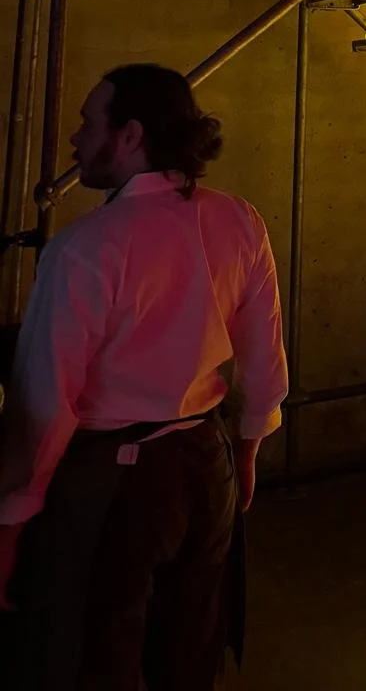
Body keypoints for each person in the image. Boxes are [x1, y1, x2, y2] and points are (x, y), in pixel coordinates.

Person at [0, 64, 288, 689]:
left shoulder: (86, 247)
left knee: (100, 649)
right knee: (190, 644)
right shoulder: (239, 220)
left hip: (117, 483)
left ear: (129, 135)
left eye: (87, 122)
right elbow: (264, 359)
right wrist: (245, 452)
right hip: (206, 463)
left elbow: (46, 402)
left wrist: (11, 520)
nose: (75, 138)